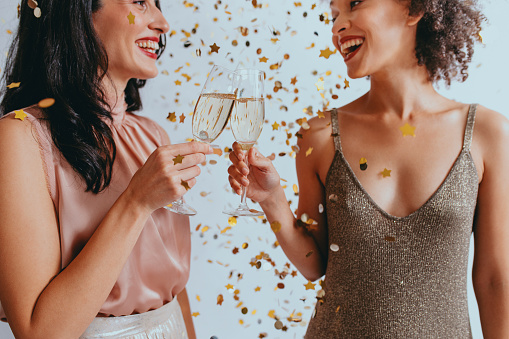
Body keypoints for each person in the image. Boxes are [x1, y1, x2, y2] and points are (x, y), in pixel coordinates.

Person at [228, 0, 509, 337]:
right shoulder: (318, 136)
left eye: (355, 4)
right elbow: (314, 263)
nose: (337, 26)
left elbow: (495, 279)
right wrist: (271, 198)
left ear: (414, 8)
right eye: (334, 16)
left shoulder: (485, 134)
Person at [0, 0, 212, 338]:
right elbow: (40, 333)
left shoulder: (153, 135)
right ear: (79, 13)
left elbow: (171, 291)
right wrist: (136, 202)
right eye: (140, 3)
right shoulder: (20, 137)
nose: (163, 23)